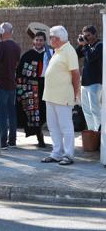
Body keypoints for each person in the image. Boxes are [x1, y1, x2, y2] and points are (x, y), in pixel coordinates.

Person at [41, 26, 80, 166]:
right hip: (50, 96)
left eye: (51, 37)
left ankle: (68, 155)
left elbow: (75, 74)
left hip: (63, 96)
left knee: (66, 126)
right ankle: (57, 153)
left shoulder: (69, 51)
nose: (49, 39)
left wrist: (76, 93)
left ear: (57, 39)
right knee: (53, 126)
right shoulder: (57, 51)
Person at [16, 32, 53, 148]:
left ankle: (42, 132)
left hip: (47, 86)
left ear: (44, 41)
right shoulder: (27, 55)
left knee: (45, 112)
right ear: (33, 41)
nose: (38, 42)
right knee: (34, 113)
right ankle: (39, 136)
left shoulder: (50, 54)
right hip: (31, 88)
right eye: (37, 40)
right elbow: (20, 73)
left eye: (41, 40)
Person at [0, 22, 21, 149]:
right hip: (12, 82)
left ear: (2, 31)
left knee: (2, 113)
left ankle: (3, 141)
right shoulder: (17, 46)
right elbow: (16, 63)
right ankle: (13, 141)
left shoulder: (2, 45)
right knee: (12, 112)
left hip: (2, 83)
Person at [76, 25, 102, 131]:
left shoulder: (100, 45)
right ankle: (91, 132)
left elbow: (91, 58)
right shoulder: (87, 46)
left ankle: (99, 132)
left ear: (95, 34)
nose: (87, 38)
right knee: (86, 110)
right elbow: (76, 55)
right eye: (85, 36)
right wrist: (80, 45)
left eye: (89, 35)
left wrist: (85, 45)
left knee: (95, 109)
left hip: (95, 82)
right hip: (85, 82)